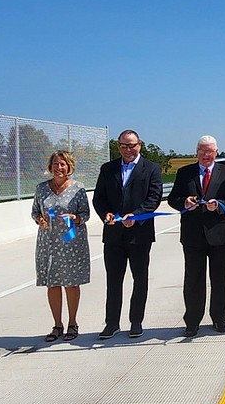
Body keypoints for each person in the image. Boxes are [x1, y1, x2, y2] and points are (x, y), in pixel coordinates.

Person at [167, 135, 225, 337]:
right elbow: (173, 198)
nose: (206, 155)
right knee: (193, 280)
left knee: (220, 279)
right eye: (202, 151)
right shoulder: (185, 173)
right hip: (193, 236)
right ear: (196, 152)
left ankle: (219, 318)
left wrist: (219, 205)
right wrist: (184, 202)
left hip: (220, 235)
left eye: (210, 151)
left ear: (216, 152)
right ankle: (192, 321)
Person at [92, 130, 164, 340]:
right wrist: (105, 213)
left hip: (139, 234)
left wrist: (138, 215)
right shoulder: (108, 169)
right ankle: (112, 323)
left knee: (139, 278)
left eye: (132, 145)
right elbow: (99, 198)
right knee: (113, 279)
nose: (128, 149)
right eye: (124, 146)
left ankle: (136, 321)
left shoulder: (151, 169)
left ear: (139, 145)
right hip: (113, 234)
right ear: (118, 147)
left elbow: (154, 197)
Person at [31, 151, 91, 342]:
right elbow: (34, 211)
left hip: (71, 241)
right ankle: (57, 325)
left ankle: (73, 323)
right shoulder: (41, 189)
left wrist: (75, 218)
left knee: (71, 283)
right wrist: (39, 219)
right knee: (53, 283)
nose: (59, 168)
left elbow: (86, 214)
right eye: (56, 164)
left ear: (69, 167)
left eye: (63, 164)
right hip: (48, 243)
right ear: (50, 167)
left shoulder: (78, 188)